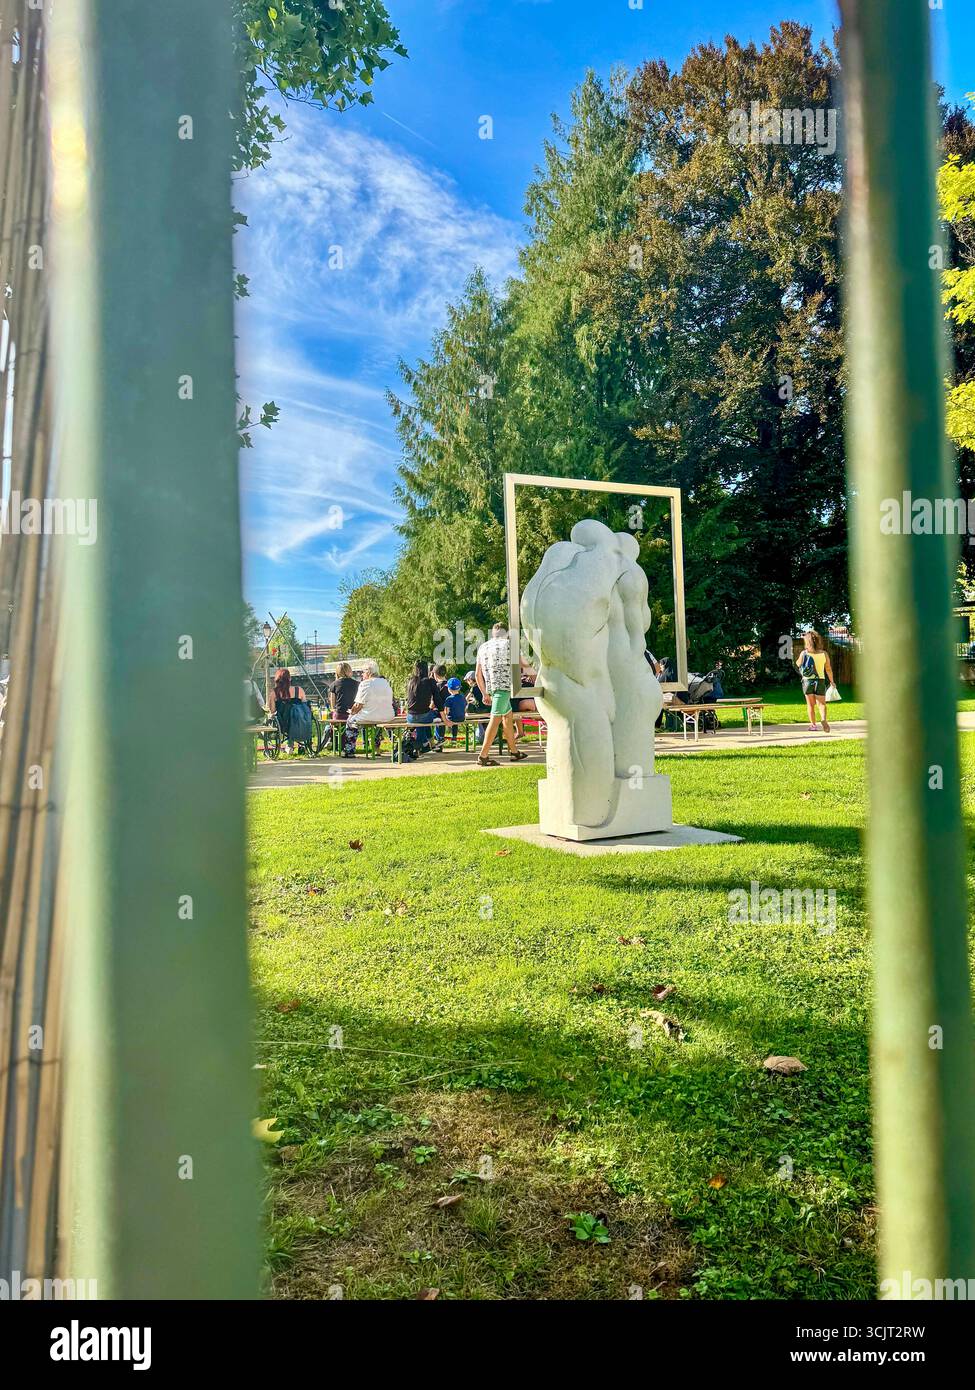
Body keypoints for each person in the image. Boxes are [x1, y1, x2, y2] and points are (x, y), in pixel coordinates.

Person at [475, 623, 527, 767]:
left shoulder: (483, 647)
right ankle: (483, 756)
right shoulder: (510, 645)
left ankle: (514, 751)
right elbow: (525, 664)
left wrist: (485, 693)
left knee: (507, 717)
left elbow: (477, 673)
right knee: (495, 719)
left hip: (492, 688)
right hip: (504, 687)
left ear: (493, 633)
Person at [346, 661, 395, 756]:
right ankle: (378, 747)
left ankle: (350, 750)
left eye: (363, 672)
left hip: (370, 716)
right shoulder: (385, 682)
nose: (362, 674)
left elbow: (358, 705)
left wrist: (351, 712)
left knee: (350, 722)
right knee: (377, 724)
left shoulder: (365, 684)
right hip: (388, 716)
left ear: (368, 672)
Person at [796, 629, 834, 733]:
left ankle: (813, 725)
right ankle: (823, 719)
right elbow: (828, 669)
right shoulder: (824, 654)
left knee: (810, 705)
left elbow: (798, 664)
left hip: (808, 681)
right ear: (818, 641)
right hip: (820, 680)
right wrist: (832, 681)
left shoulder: (804, 653)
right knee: (822, 704)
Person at [405, 659, 447, 753]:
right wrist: (445, 719)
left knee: (423, 717)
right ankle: (424, 743)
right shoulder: (430, 681)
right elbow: (438, 701)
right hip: (424, 715)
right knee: (429, 716)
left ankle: (427, 743)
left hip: (410, 717)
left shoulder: (411, 681)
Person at [268, 667, 307, 752]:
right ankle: (294, 745)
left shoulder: (274, 693)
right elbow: (305, 707)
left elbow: (273, 711)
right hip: (299, 722)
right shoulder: (299, 690)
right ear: (289, 678)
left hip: (283, 724)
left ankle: (287, 746)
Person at [330, 661, 359, 755]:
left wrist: (333, 710)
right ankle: (348, 746)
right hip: (353, 715)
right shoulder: (357, 684)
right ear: (349, 671)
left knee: (334, 724)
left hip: (340, 715)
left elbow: (333, 704)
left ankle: (335, 744)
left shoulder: (334, 684)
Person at [442, 676, 467, 744]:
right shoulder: (463, 697)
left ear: (449, 689)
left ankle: (440, 738)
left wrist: (445, 716)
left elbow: (446, 711)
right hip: (462, 718)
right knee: (455, 717)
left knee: (443, 718)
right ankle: (454, 736)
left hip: (452, 718)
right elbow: (465, 708)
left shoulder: (449, 699)